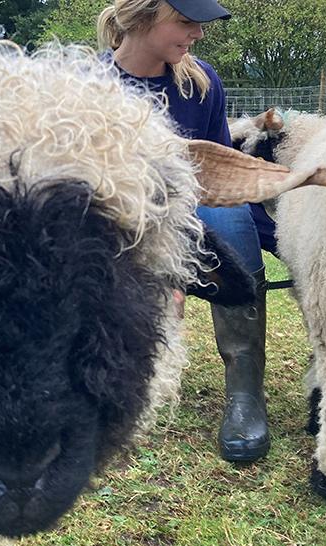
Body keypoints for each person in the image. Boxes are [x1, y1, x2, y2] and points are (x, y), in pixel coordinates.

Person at [98, 0, 271, 462]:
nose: (197, 34)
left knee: (234, 226)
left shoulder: (200, 82)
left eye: (201, 24)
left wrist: (277, 239)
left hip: (190, 207)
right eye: (187, 22)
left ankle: (245, 392)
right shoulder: (92, 85)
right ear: (143, 15)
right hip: (113, 215)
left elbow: (215, 172)